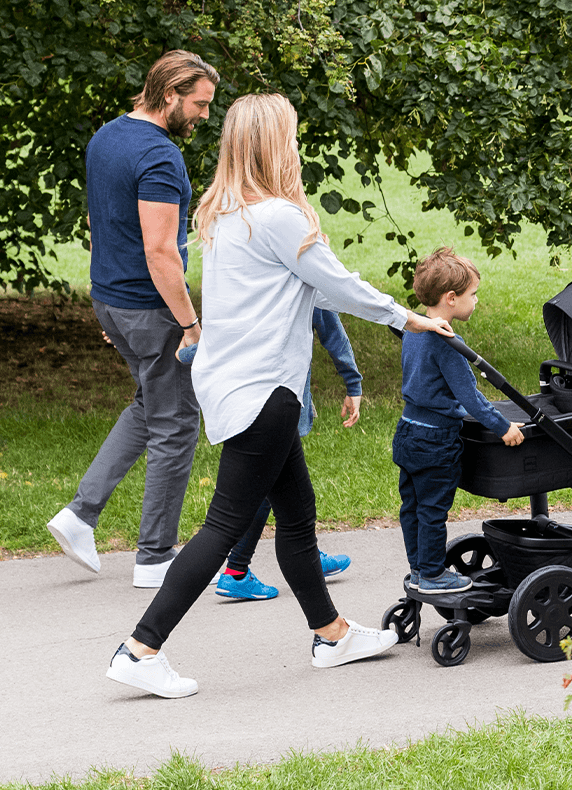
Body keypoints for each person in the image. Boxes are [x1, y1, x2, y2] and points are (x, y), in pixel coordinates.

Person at [106, 92, 455, 699]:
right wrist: (407, 318)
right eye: (290, 134)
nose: (294, 143)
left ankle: (332, 634)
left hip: (236, 382)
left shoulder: (224, 213)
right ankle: (141, 647)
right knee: (222, 528)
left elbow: (303, 291)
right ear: (274, 144)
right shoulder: (278, 218)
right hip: (265, 390)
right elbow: (336, 285)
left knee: (296, 517)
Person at [46, 50, 220, 588]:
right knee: (176, 425)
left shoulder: (107, 136)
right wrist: (190, 324)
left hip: (114, 301)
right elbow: (161, 252)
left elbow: (100, 225)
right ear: (170, 94)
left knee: (150, 404)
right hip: (150, 307)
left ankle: (80, 515)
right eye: (199, 104)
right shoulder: (160, 156)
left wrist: (109, 302)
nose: (204, 116)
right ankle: (155, 557)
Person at [392, 248, 525, 594]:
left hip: (407, 432)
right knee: (433, 509)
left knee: (413, 507)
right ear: (451, 299)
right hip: (436, 441)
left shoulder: (413, 330)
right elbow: (472, 399)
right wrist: (504, 428)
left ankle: (419, 569)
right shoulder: (448, 342)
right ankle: (434, 573)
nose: (476, 301)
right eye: (473, 295)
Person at [216, 307, 359, 601]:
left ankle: (299, 554)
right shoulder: (300, 272)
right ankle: (237, 570)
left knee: (276, 486)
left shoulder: (247, 275)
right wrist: (352, 381)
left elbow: (221, 336)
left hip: (243, 398)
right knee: (272, 490)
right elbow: (332, 329)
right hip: (280, 401)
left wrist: (185, 346)